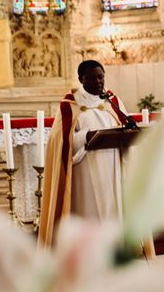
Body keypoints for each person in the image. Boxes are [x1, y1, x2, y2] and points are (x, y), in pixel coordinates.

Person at [39, 60, 130, 247]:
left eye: (101, 77)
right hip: (86, 168)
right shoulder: (69, 105)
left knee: (114, 210)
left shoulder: (112, 101)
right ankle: (89, 251)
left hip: (113, 165)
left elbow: (125, 128)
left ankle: (116, 248)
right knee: (90, 211)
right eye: (91, 78)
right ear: (81, 79)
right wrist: (85, 136)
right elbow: (60, 140)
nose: (98, 82)